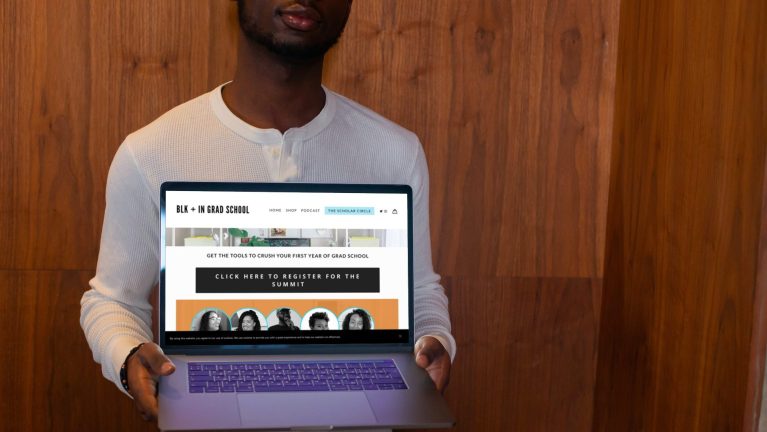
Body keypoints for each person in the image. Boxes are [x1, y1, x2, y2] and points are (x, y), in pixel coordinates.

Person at [80, 0, 455, 422]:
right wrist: (128, 355)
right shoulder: (151, 152)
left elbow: (420, 292)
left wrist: (434, 338)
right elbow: (113, 300)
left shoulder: (394, 152)